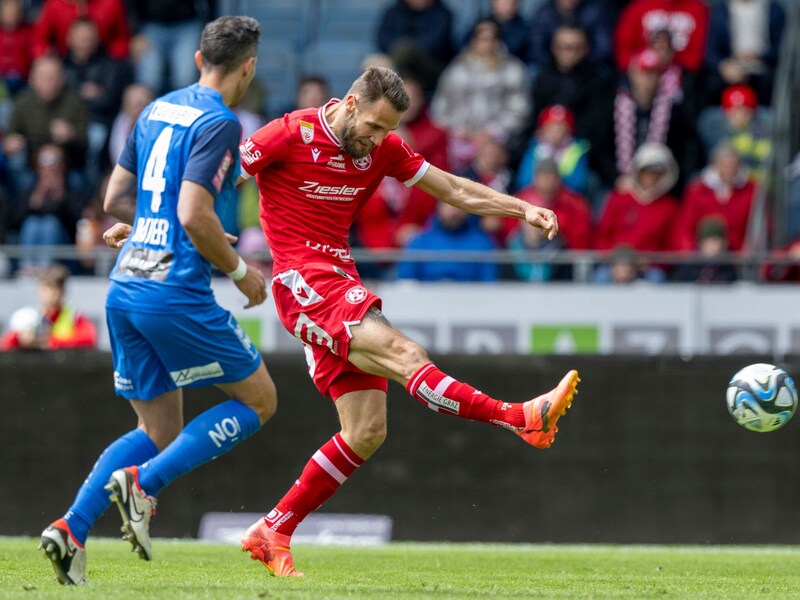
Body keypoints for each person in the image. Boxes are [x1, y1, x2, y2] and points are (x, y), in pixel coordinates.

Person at [237, 66, 580, 577]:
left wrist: (521, 209)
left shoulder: (383, 148)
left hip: (339, 279)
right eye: (374, 127)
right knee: (407, 355)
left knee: (367, 430)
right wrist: (151, 220)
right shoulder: (288, 133)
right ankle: (520, 417)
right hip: (304, 284)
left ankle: (274, 529)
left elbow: (453, 189)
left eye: (388, 131)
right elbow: (215, 178)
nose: (379, 140)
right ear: (350, 104)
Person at [38, 16, 276, 586]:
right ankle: (144, 485)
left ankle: (71, 530)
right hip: (173, 292)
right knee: (260, 400)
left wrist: (144, 225)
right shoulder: (221, 121)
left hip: (126, 287)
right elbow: (195, 213)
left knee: (158, 428)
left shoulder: (156, 108)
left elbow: (116, 198)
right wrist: (241, 270)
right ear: (248, 67)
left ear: (198, 60)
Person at [397, 200, 500, 282]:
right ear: (438, 207)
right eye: (449, 204)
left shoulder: (483, 244)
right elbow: (406, 281)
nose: (454, 210)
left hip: (470, 303)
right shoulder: (419, 242)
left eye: (460, 204)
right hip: (426, 303)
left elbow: (488, 284)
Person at [0, 264, 97, 350]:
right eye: (47, 288)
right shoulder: (30, 317)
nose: (52, 293)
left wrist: (48, 342)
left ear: (63, 291)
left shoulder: (74, 315)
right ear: (39, 290)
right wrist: (21, 339)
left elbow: (89, 339)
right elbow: (5, 344)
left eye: (56, 288)